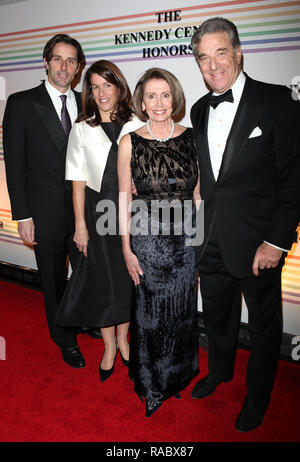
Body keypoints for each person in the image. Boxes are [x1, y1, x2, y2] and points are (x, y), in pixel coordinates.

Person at [190, 17, 300, 432]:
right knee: (217, 316)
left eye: (221, 53)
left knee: (263, 324)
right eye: (204, 57)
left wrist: (276, 241)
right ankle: (219, 371)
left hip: (259, 243)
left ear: (238, 53)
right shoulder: (200, 109)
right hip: (210, 240)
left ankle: (259, 395)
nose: (213, 65)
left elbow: (294, 178)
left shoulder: (278, 102)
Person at [3, 34, 101, 369]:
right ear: (46, 62)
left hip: (83, 210)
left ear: (78, 68)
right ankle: (63, 337)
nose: (64, 66)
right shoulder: (21, 103)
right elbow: (14, 164)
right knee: (54, 278)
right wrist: (23, 215)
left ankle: (82, 318)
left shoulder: (86, 104)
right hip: (43, 212)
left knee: (87, 270)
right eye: (58, 59)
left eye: (71, 61)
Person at [118, 68, 200, 417]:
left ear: (175, 97)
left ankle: (176, 378)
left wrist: (200, 242)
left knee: (181, 313)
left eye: (165, 94)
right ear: (141, 101)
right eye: (151, 95)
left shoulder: (192, 138)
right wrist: (126, 248)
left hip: (185, 243)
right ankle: (150, 383)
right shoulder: (129, 142)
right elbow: (122, 197)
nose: (159, 102)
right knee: (150, 316)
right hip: (147, 242)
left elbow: (198, 195)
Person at [55, 60, 144, 382]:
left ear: (119, 87)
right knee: (101, 284)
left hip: (131, 215)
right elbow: (77, 181)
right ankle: (109, 345)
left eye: (107, 85)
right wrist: (80, 226)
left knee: (125, 281)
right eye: (94, 86)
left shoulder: (138, 123)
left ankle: (124, 339)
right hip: (95, 215)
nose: (101, 92)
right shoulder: (82, 128)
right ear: (89, 92)